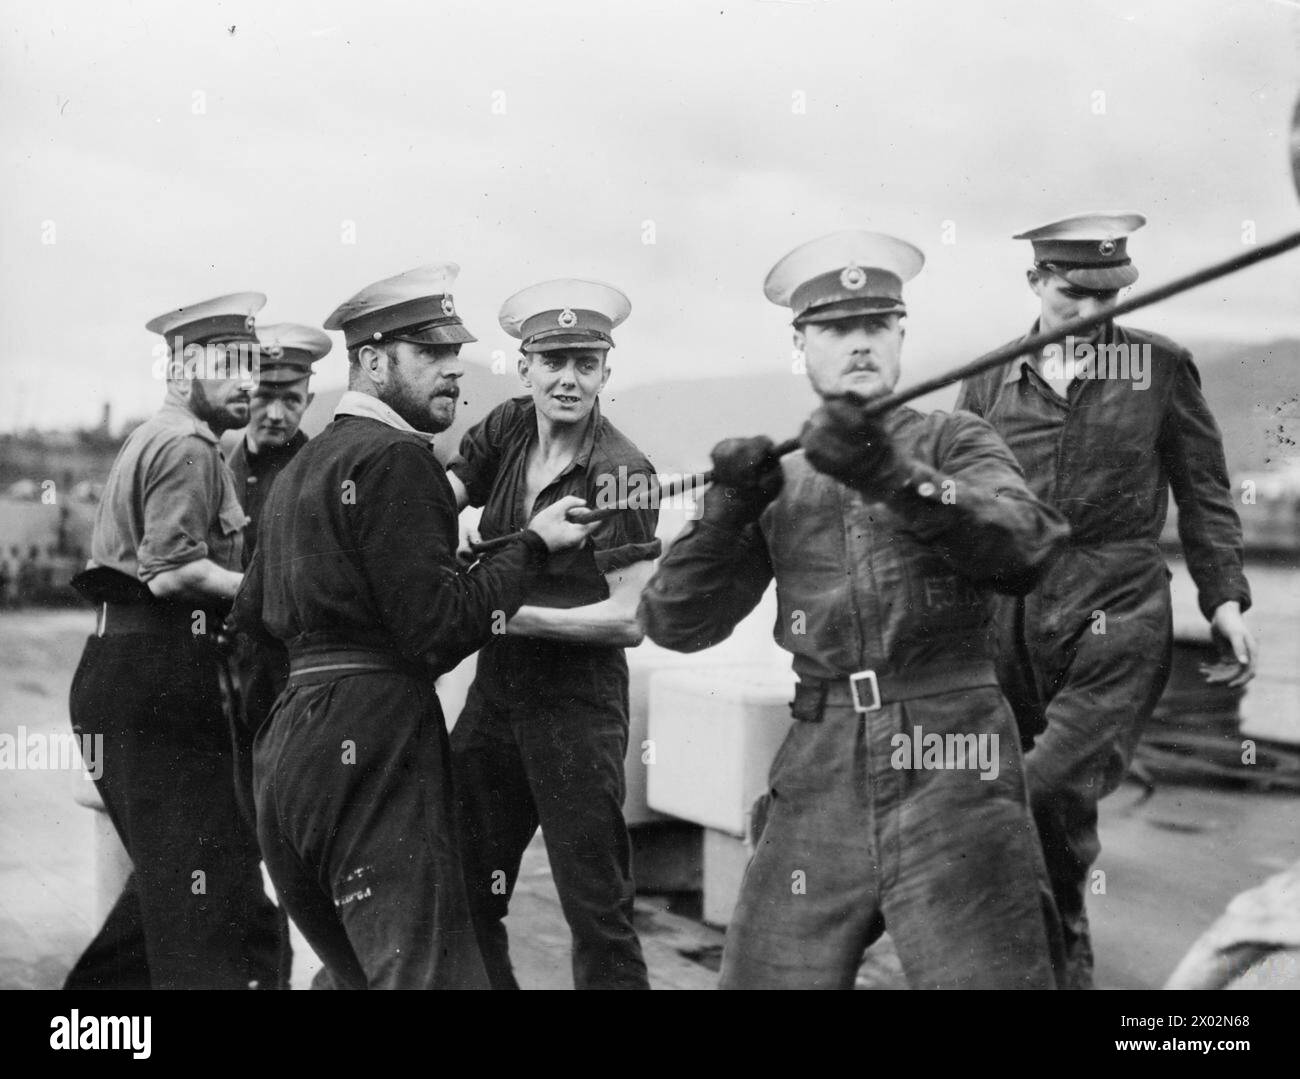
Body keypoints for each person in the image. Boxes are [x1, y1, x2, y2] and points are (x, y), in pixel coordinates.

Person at [639, 231, 1071, 990]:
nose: (859, 343)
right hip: (820, 756)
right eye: (837, 329)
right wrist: (724, 512)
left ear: (902, 333)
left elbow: (1026, 548)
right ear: (800, 344)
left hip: (952, 752)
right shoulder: (780, 476)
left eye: (876, 324)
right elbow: (674, 621)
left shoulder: (957, 438)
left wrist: (891, 471)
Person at [233, 264, 594, 989]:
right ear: (370, 362)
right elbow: (438, 631)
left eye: (455, 355)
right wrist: (532, 544)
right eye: (430, 354)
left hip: (286, 755)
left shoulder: (302, 468)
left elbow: (250, 622)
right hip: (376, 743)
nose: (453, 372)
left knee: (352, 978)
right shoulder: (400, 460)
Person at [954, 212, 1256, 989]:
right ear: (1035, 283)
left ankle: (1059, 956)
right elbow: (956, 509)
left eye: (1107, 296)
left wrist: (1223, 600)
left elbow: (1205, 490)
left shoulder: (1160, 368)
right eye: (1072, 294)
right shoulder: (988, 377)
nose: (1092, 313)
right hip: (1009, 613)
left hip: (1117, 604)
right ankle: (1055, 952)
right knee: (1050, 808)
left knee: (1047, 778)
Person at [65, 292, 283, 989]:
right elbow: (170, 572)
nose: (250, 381)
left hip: (138, 673)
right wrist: (269, 593)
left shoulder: (164, 436)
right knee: (203, 899)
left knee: (179, 883)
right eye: (232, 364)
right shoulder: (187, 445)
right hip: (152, 675)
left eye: (255, 364)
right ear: (185, 368)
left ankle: (89, 1017)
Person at [447, 279, 659, 990]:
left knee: (596, 913)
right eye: (553, 360)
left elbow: (629, 617)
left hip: (578, 707)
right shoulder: (506, 427)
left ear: (606, 370)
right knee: (463, 888)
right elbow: (438, 498)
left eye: (586, 362)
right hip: (496, 697)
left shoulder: (622, 472)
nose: (569, 378)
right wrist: (461, 531)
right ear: (525, 366)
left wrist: (504, 610)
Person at [224, 321, 330, 987]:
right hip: (224, 683)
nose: (276, 411)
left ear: (308, 396)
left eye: (291, 398)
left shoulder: (321, 469)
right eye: (264, 395)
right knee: (231, 842)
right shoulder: (216, 462)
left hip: (295, 685)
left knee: (298, 847)